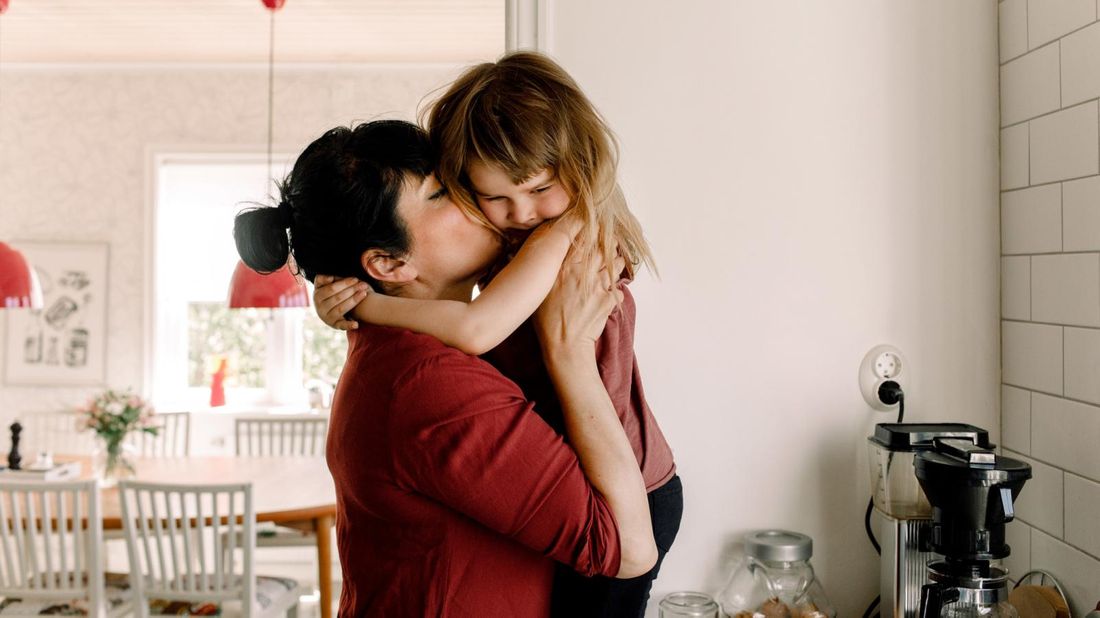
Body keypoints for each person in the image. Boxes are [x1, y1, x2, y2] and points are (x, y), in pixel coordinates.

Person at [233, 119, 657, 618]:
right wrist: (571, 355)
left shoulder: (408, 348)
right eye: (439, 194)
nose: (470, 194)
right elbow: (628, 550)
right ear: (389, 265)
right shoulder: (429, 386)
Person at [311, 51, 681, 618]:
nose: (516, 212)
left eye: (536, 188)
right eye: (461, 193)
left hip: (632, 488)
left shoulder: (563, 234)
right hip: (598, 488)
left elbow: (476, 328)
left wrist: (371, 306)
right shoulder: (433, 356)